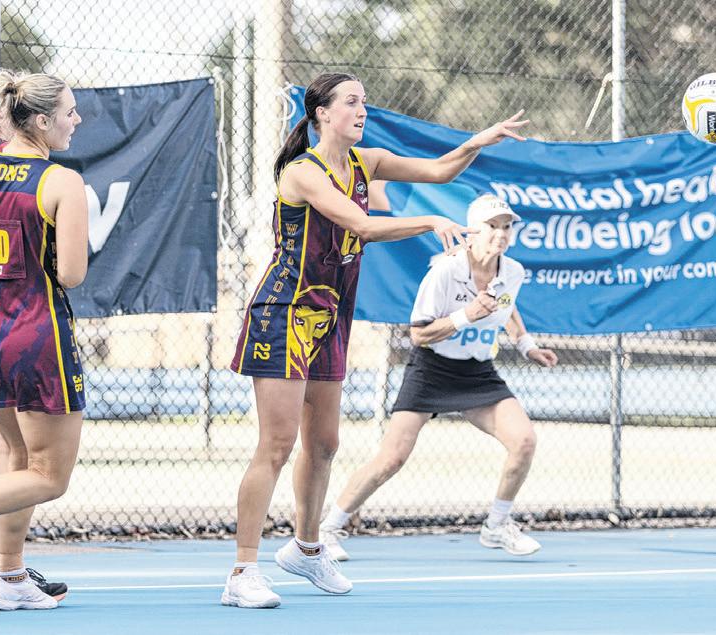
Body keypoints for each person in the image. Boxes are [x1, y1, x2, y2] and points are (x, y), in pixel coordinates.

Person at [223, 72, 528, 609]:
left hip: (330, 317)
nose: (362, 109)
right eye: (352, 101)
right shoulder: (302, 172)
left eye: (365, 101)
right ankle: (243, 570)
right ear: (322, 113)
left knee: (324, 444)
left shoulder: (366, 161)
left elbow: (439, 169)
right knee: (277, 445)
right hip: (285, 313)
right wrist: (428, 222)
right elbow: (360, 226)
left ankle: (307, 548)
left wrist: (478, 142)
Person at [319, 193, 557, 560]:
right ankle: (328, 529)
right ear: (472, 231)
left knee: (524, 441)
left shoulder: (512, 272)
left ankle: (497, 526)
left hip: (477, 372)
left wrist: (527, 347)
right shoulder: (445, 272)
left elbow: (507, 308)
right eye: (492, 226)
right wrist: (467, 316)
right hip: (431, 369)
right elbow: (419, 334)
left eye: (507, 227)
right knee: (391, 458)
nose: (501, 234)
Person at [0, 70, 87, 610]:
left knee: (15, 456)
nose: (76, 120)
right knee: (49, 475)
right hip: (36, 337)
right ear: (40, 120)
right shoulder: (59, 182)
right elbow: (71, 275)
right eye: (68, 112)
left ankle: (9, 577)